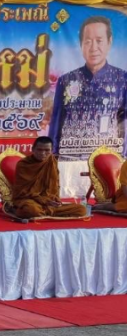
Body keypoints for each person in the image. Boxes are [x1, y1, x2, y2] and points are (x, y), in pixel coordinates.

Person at [49, 16, 127, 160]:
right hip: (70, 158)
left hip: (108, 159)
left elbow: (125, 121)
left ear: (109, 42)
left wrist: (123, 157)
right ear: (81, 45)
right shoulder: (66, 80)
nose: (93, 48)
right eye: (88, 41)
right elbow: (57, 121)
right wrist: (53, 155)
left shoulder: (123, 79)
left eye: (99, 41)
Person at [10, 137, 87, 219]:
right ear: (33, 149)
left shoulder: (52, 161)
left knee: (81, 209)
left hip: (49, 201)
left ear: (51, 150)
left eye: (47, 150)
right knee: (31, 210)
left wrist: (56, 199)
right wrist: (43, 200)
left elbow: (55, 184)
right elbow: (23, 192)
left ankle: (45, 212)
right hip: (30, 200)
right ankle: (47, 212)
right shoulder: (23, 164)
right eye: (39, 150)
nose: (43, 153)